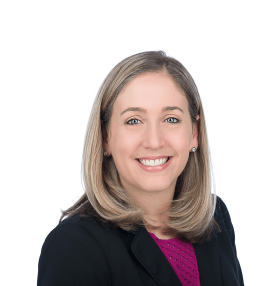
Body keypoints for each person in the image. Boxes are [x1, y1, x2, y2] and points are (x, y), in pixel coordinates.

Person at [37, 51, 244, 286]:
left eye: (171, 119)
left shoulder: (215, 216)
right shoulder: (73, 245)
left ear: (194, 134)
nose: (154, 141)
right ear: (106, 137)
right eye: (134, 121)